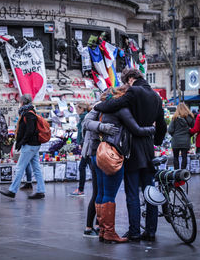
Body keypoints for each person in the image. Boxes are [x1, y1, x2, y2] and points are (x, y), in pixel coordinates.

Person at [94, 68, 167, 242]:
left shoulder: (134, 91)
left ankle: (134, 231)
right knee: (150, 191)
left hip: (132, 147)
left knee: (132, 192)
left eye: (126, 82)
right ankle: (150, 231)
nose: (126, 85)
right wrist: (155, 140)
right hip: (148, 148)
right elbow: (162, 124)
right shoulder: (156, 97)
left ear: (131, 79)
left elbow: (112, 105)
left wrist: (98, 105)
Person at [81, 106, 120, 237]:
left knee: (99, 191)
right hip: (98, 153)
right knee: (99, 191)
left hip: (97, 153)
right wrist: (103, 127)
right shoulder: (99, 108)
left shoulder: (102, 109)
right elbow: (86, 123)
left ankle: (98, 225)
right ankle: (91, 226)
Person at [0, 94, 46, 199]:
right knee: (36, 168)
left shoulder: (28, 114)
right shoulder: (30, 112)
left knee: (20, 167)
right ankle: (41, 190)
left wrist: (21, 142)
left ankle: (12, 190)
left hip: (29, 145)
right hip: (34, 145)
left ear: (23, 102)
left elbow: (29, 130)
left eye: (20, 101)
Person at [70, 102, 90, 196]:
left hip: (86, 146)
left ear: (82, 109)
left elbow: (85, 133)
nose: (76, 110)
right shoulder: (83, 118)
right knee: (87, 167)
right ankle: (81, 188)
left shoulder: (85, 118)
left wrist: (81, 143)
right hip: (86, 146)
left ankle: (81, 189)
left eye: (77, 108)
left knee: (82, 167)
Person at [168, 103, 194, 170]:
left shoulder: (174, 118)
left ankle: (176, 173)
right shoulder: (189, 117)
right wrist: (189, 135)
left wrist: (174, 135)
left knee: (175, 157)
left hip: (176, 140)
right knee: (184, 157)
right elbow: (194, 129)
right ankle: (183, 173)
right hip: (185, 141)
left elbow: (170, 130)